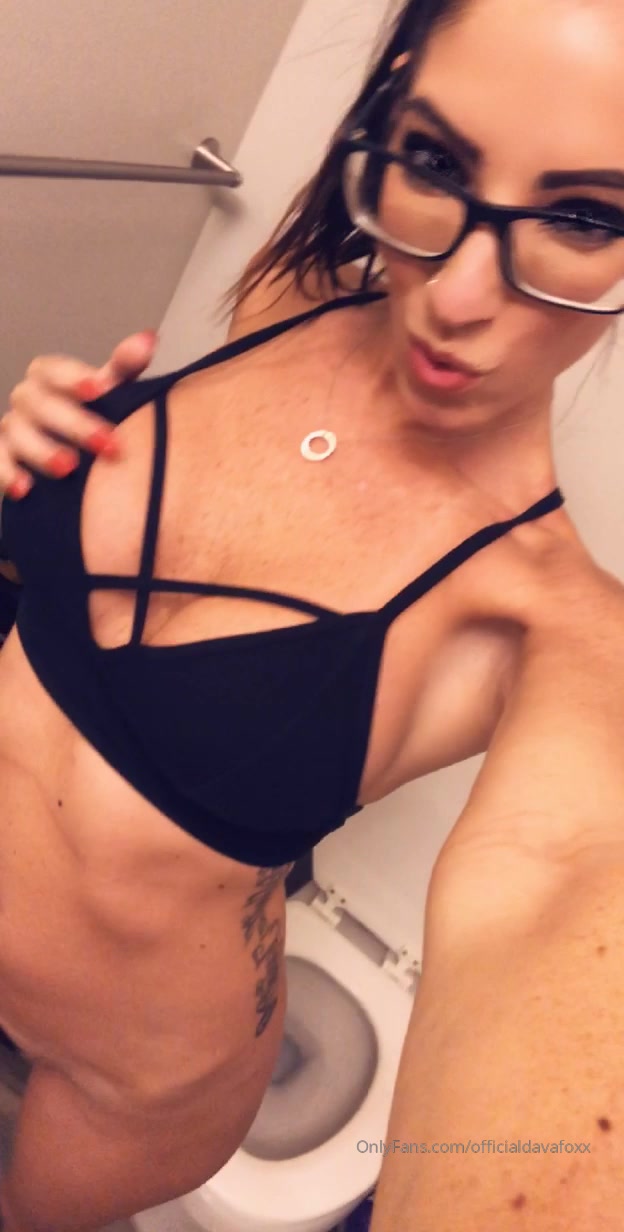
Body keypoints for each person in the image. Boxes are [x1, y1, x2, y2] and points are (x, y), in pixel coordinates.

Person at [0, 0, 623, 1227]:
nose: (457, 295)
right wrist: (29, 453)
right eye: (436, 161)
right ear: (391, 113)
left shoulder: (553, 628)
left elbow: (570, 917)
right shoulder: (291, 297)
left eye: (586, 216)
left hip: (134, 1082)